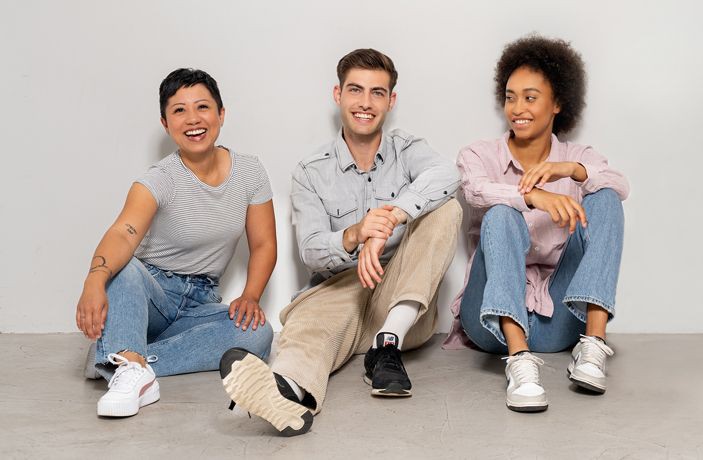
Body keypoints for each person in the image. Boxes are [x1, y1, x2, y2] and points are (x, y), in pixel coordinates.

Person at [219, 48, 462, 436]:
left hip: (401, 302)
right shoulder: (310, 172)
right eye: (356, 90)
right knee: (308, 328)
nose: (365, 103)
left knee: (446, 209)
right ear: (338, 95)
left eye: (377, 93)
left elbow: (448, 174)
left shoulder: (407, 149)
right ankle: (287, 393)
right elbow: (312, 250)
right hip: (341, 293)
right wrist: (355, 234)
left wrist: (390, 217)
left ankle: (387, 343)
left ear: (391, 100)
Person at [75, 68, 275, 417]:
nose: (193, 119)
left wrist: (251, 294)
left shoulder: (250, 172)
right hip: (152, 293)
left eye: (202, 107)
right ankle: (128, 361)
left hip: (201, 302)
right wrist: (94, 278)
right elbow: (124, 232)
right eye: (179, 110)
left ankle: (124, 362)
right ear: (166, 124)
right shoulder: (160, 178)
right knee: (126, 269)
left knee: (258, 335)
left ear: (221, 114)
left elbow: (263, 244)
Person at [445, 35, 629, 412]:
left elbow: (620, 185)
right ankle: (519, 363)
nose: (517, 108)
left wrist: (572, 171)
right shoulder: (478, 154)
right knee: (500, 211)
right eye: (510, 97)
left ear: (557, 103)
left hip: (558, 323)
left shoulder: (577, 156)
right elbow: (476, 191)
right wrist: (531, 195)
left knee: (606, 194)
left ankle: (592, 346)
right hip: (489, 321)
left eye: (530, 97)